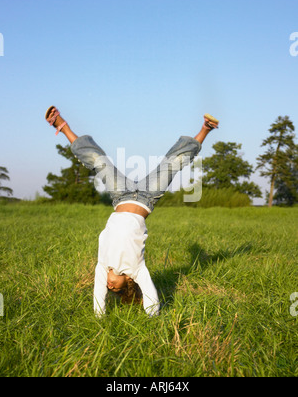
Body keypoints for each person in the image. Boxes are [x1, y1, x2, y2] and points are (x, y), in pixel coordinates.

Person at [45, 106, 219, 317]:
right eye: (116, 288)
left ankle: (62, 126)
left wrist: (99, 318)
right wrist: (152, 316)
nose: (109, 286)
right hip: (147, 197)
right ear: (128, 282)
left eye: (110, 289)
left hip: (121, 196)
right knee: (173, 163)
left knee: (98, 160)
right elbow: (152, 298)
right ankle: (206, 129)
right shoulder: (137, 270)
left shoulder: (102, 266)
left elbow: (98, 295)